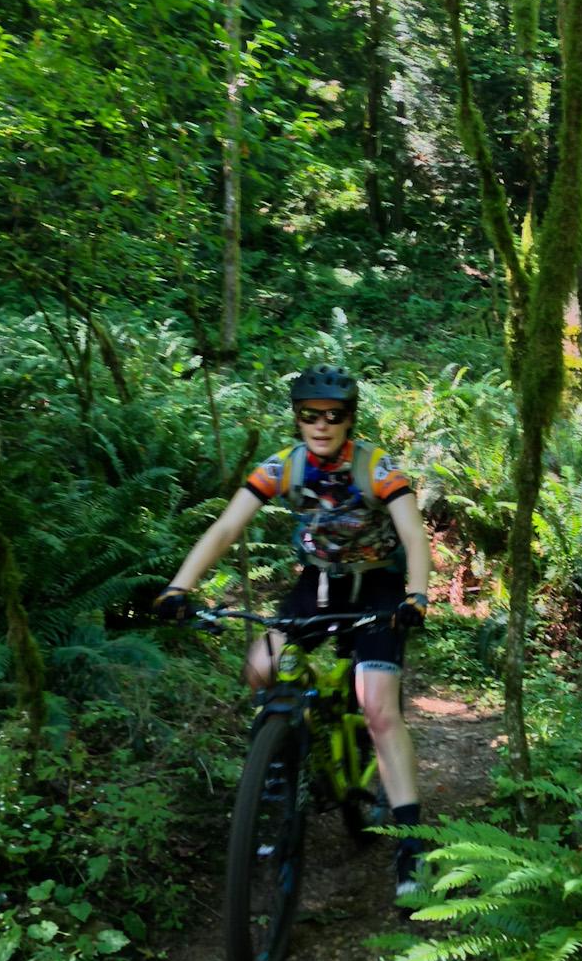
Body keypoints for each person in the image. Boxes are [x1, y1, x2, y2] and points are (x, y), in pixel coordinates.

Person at [154, 363, 433, 900]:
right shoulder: (284, 466)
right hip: (317, 586)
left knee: (377, 706)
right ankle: (283, 761)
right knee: (260, 666)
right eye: (310, 416)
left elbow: (413, 533)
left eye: (334, 416)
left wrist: (416, 596)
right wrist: (179, 587)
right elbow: (228, 525)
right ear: (298, 420)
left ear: (349, 420)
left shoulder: (376, 468)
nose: (322, 425)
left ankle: (410, 852)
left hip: (378, 588)